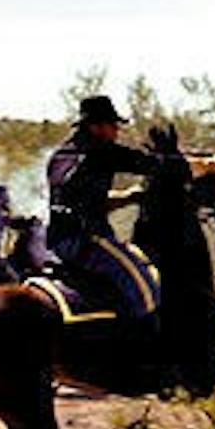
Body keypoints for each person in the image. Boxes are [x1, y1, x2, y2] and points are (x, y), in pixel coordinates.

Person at [46, 94, 163, 320]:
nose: (116, 131)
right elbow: (158, 165)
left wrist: (129, 197)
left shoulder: (60, 155)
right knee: (147, 289)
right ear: (96, 127)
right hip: (87, 241)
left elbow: (84, 201)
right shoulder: (101, 152)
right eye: (113, 125)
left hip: (59, 242)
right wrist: (211, 164)